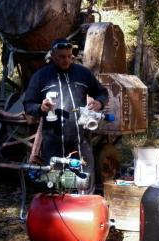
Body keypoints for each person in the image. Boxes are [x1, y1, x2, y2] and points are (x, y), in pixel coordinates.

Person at [23, 38, 109, 194]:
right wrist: (40, 108)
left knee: (85, 181)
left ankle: (85, 212)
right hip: (53, 141)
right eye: (62, 57)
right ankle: (60, 214)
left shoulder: (82, 73)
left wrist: (100, 103)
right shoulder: (41, 76)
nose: (67, 60)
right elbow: (28, 104)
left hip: (80, 139)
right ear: (53, 56)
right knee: (56, 185)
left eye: (69, 56)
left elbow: (102, 92)